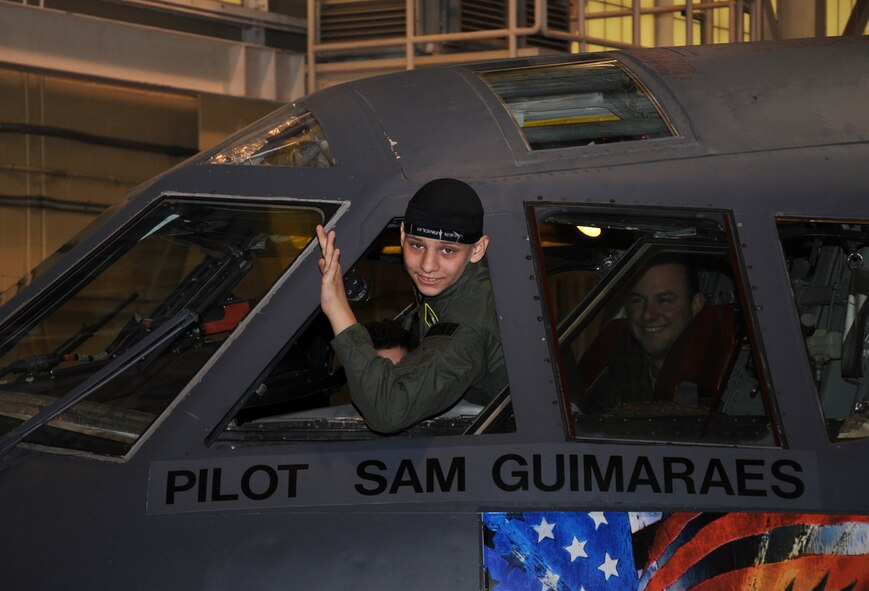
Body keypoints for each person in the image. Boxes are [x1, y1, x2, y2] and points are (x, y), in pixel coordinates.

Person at [316, 178, 507, 433]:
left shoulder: (468, 326)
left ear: (477, 249)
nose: (427, 265)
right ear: (403, 235)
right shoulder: (459, 280)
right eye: (417, 245)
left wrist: (338, 307)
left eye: (447, 250)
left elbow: (388, 412)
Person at [579, 257, 705, 414]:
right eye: (638, 301)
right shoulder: (621, 375)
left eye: (664, 300)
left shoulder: (717, 377)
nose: (648, 315)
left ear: (695, 306)